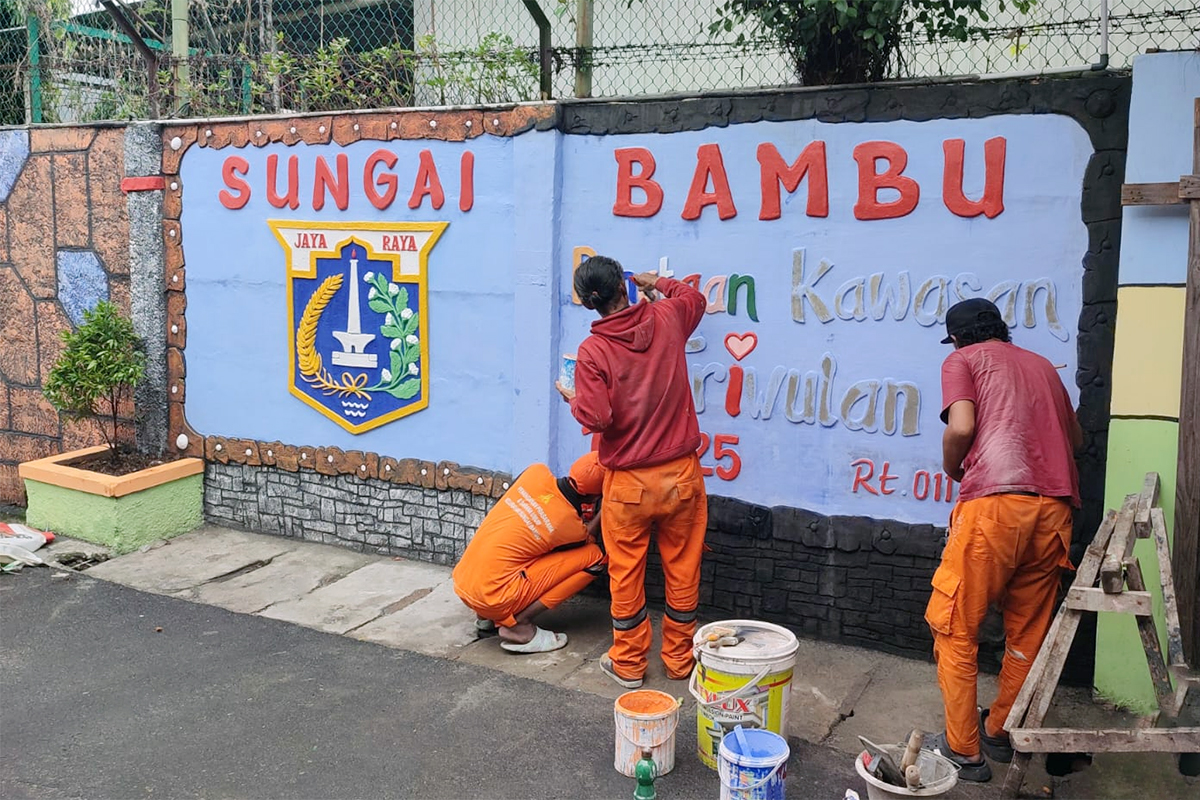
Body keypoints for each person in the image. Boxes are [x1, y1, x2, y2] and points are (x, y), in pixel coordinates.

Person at [923, 298, 1083, 782]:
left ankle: (963, 750)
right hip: (1054, 510)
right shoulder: (1040, 366)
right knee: (1027, 630)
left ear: (955, 338)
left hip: (993, 508)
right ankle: (1000, 727)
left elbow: (963, 426)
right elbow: (1074, 440)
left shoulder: (962, 360)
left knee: (954, 625)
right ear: (1002, 329)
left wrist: (954, 468)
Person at [555, 255, 707, 689]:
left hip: (627, 487)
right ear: (626, 286)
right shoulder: (668, 316)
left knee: (626, 575)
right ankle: (679, 660)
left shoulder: (593, 351)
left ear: (589, 304)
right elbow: (692, 297)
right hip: (681, 477)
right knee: (683, 568)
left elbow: (598, 418)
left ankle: (629, 663)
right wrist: (656, 280)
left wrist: (574, 399)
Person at [452, 452, 607, 654]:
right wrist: (604, 511)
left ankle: (484, 619)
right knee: (595, 557)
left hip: (464, 581)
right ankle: (519, 626)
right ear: (594, 496)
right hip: (495, 597)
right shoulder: (571, 527)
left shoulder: (535, 472)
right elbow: (587, 540)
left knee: (515, 547)